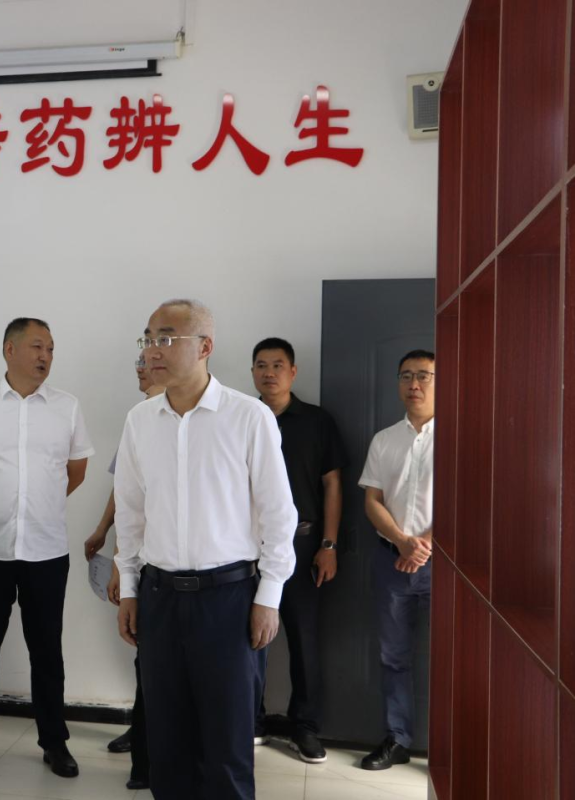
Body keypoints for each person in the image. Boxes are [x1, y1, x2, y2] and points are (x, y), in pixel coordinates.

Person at [115, 299, 297, 800]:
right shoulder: (140, 420)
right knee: (167, 744)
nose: (153, 350)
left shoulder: (248, 417)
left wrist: (269, 597)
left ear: (205, 347)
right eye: (148, 338)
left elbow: (279, 514)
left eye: (166, 338)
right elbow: (131, 513)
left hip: (229, 599)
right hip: (159, 597)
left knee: (227, 745)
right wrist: (129, 587)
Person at [0, 318, 94, 779]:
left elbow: (76, 469)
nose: (45, 356)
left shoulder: (67, 407)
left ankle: (54, 742)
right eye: (37, 347)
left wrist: (38, 503)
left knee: (47, 650)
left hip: (46, 550)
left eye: (50, 349)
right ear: (9, 350)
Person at [250, 337, 346, 764]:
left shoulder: (317, 421)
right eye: (261, 365)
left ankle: (304, 726)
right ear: (252, 372)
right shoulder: (242, 417)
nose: (268, 373)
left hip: (304, 545)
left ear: (293, 371)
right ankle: (250, 719)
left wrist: (329, 544)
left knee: (303, 639)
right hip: (247, 546)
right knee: (249, 637)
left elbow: (332, 484)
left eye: (277, 365)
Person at [84, 354, 163, 791]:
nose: (138, 368)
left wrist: (120, 562)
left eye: (146, 361)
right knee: (146, 658)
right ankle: (144, 742)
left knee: (155, 662)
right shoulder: (140, 417)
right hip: (143, 562)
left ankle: (151, 745)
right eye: (138, 359)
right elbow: (124, 494)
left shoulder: (183, 415)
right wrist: (104, 535)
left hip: (170, 565)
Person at [358, 349, 435, 771]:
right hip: (392, 563)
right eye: (406, 376)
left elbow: (469, 499)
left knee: (458, 658)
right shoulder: (384, 439)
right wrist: (403, 543)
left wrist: (423, 546)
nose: (414, 384)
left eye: (424, 375)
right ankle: (398, 738)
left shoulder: (461, 433)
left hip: (447, 568)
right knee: (393, 657)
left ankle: (454, 744)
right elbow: (372, 500)